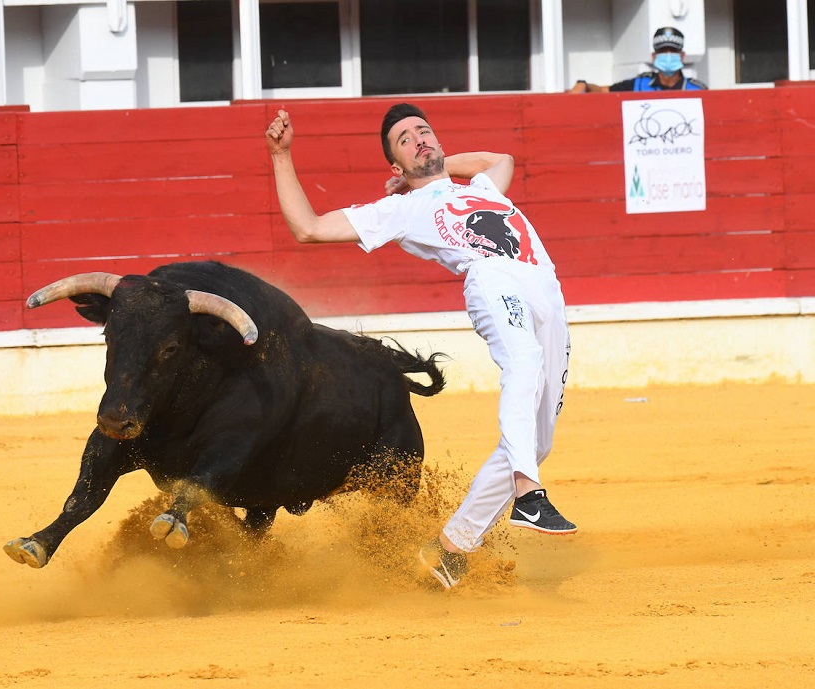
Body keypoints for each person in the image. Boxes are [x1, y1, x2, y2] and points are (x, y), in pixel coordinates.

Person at [265, 103, 576, 590]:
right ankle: (526, 492)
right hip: (492, 280)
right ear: (394, 166)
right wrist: (281, 156)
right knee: (524, 366)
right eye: (405, 141)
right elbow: (309, 227)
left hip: (547, 290)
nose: (419, 140)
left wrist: (437, 162)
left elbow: (501, 158)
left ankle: (450, 550)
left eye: (424, 132)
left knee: (537, 441)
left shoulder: (480, 189)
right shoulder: (401, 209)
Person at [570, 26, 707, 93]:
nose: (668, 55)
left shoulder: (697, 89)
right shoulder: (639, 84)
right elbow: (603, 91)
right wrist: (584, 85)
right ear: (654, 57)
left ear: (682, 56)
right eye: (663, 51)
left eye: (673, 51)